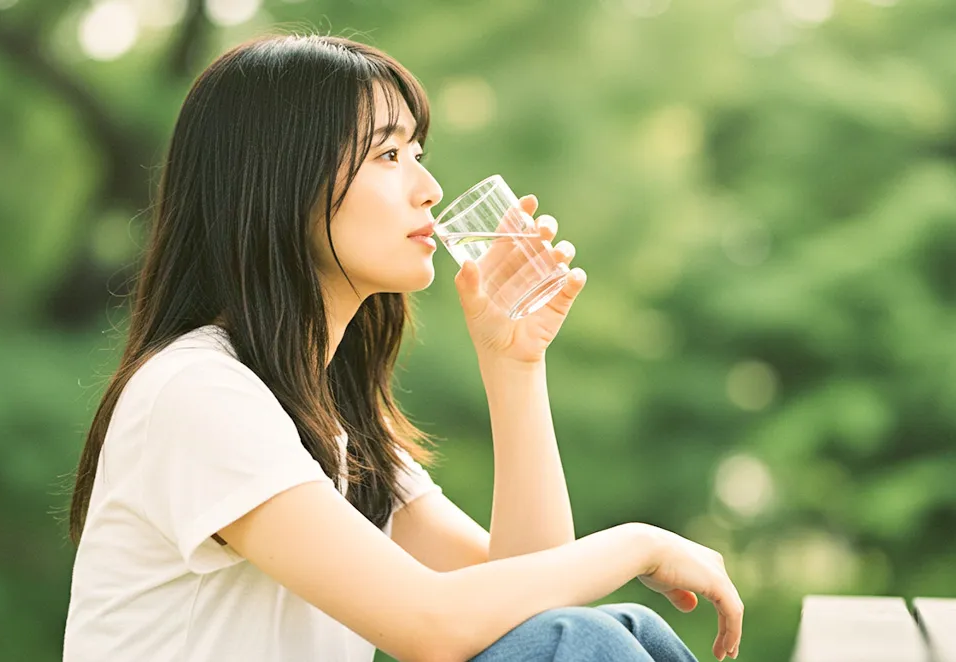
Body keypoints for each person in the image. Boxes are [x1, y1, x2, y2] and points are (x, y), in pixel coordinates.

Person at [61, 32, 743, 662]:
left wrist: (515, 365)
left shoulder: (335, 420)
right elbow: (432, 626)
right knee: (588, 639)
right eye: (388, 155)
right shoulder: (197, 392)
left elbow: (528, 600)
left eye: (418, 154)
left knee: (625, 631)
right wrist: (638, 544)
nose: (430, 189)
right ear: (281, 185)